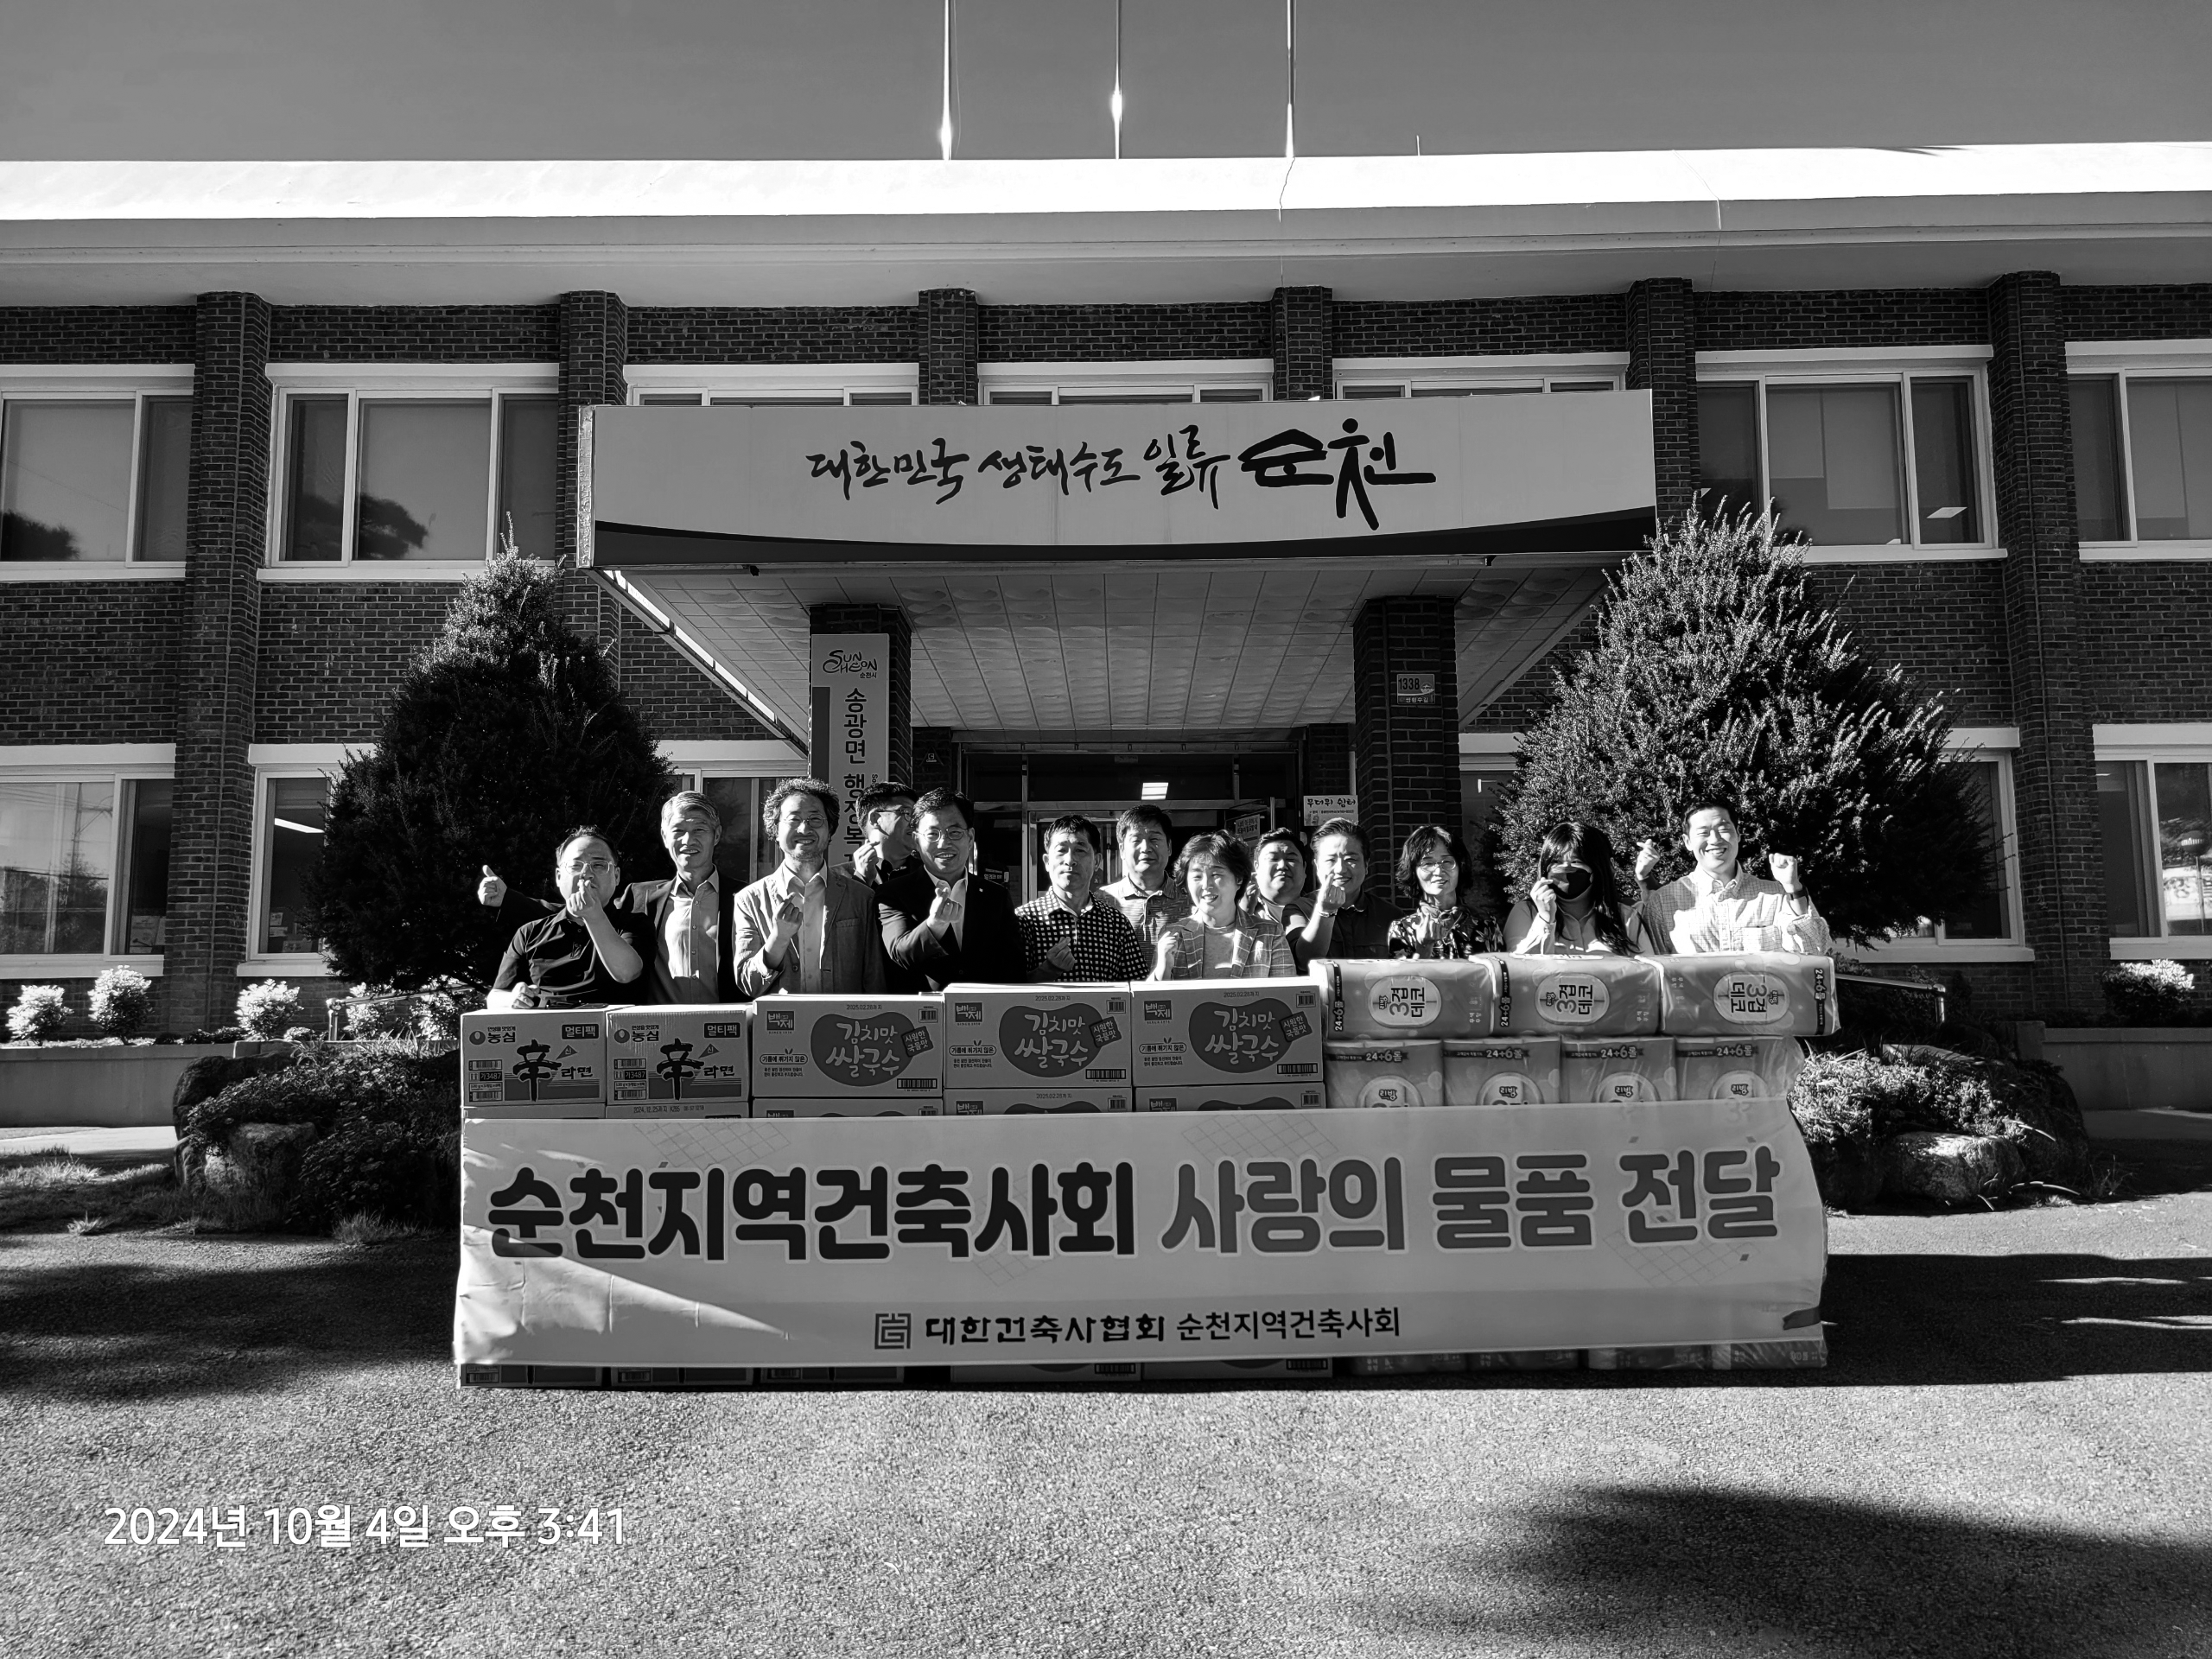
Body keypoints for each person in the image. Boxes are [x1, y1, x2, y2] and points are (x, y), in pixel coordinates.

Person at [475, 790, 739, 1002]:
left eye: (699, 830)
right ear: (665, 836)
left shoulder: (745, 898)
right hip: (664, 1027)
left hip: (728, 1024)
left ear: (716, 835)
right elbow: (576, 912)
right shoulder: (642, 896)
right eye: (678, 831)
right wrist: (508, 899)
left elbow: (595, 914)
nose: (688, 840)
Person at [731, 777, 888, 995]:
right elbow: (749, 984)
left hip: (844, 1017)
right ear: (775, 830)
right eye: (794, 819)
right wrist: (779, 939)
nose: (804, 828)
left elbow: (875, 981)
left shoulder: (861, 897)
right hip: (780, 1018)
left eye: (815, 819)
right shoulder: (750, 900)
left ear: (830, 829)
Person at [1634, 799, 1832, 955]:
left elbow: (1814, 951)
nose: (1714, 840)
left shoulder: (1776, 895)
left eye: (1723, 829)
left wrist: (1793, 887)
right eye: (1703, 832)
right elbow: (1653, 970)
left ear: (1738, 835)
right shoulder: (1663, 902)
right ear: (1687, 842)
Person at [877, 787, 1026, 990]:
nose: (944, 843)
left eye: (954, 833)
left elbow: (1013, 968)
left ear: (970, 838)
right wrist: (934, 926)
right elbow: (899, 954)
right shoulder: (892, 893)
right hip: (921, 1009)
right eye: (932, 834)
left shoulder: (996, 896)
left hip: (986, 1006)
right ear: (916, 841)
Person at [486, 827, 651, 1009]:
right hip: (545, 1026)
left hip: (614, 1025)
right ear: (558, 877)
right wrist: (513, 998)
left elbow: (627, 973)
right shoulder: (530, 933)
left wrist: (593, 916)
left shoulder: (634, 924)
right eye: (575, 866)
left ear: (616, 876)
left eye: (598, 865)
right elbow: (495, 997)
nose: (586, 874)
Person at [1016, 814, 1150, 982]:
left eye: (1080, 850)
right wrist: (1047, 971)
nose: (1070, 860)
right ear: (1047, 862)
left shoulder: (1117, 923)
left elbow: (1136, 988)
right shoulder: (1023, 920)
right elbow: (1005, 991)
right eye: (1061, 850)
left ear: (1097, 861)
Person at [1151, 831, 1296, 980]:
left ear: (1238, 878)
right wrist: (1163, 970)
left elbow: (1287, 992)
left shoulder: (1270, 935)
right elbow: (1152, 994)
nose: (1206, 885)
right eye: (1197, 877)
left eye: (1216, 875)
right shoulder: (1173, 934)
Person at [1503, 821, 1651, 956]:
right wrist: (1545, 918)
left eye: (1576, 861)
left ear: (1599, 868)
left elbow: (1647, 970)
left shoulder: (1625, 917)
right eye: (1556, 862)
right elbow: (1520, 968)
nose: (1565, 868)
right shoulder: (1527, 912)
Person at [1387, 824, 1499, 959]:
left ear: (1460, 866)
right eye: (1428, 863)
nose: (1439, 871)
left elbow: (1500, 970)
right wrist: (1423, 947)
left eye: (1447, 861)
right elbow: (1403, 973)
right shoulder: (1403, 929)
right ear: (1413, 871)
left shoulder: (1486, 923)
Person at [1300, 817, 1398, 960]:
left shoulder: (1391, 916)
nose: (1340, 869)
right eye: (1330, 860)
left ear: (1366, 865)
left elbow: (1407, 969)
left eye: (1350, 859)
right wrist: (1325, 912)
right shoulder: (1299, 909)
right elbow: (1304, 961)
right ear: (1317, 866)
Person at [1098, 804, 1192, 947]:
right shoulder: (1101, 901)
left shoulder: (1191, 900)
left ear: (1169, 847)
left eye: (1154, 839)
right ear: (1122, 850)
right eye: (1136, 840)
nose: (1146, 848)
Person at [850, 781, 919, 892]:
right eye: (907, 813)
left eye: (917, 816)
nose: (915, 822)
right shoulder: (837, 879)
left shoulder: (932, 874)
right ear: (875, 819)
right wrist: (862, 880)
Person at [1243, 829, 1313, 935]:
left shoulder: (1321, 912)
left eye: (1291, 859)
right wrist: (1244, 914)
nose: (1282, 866)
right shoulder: (1234, 910)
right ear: (1256, 867)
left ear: (1304, 868)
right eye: (1273, 859)